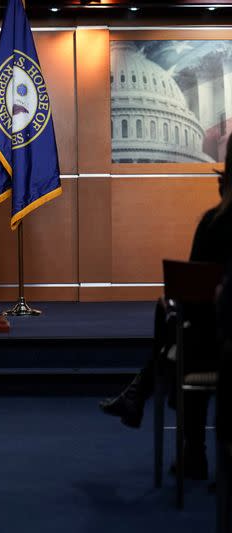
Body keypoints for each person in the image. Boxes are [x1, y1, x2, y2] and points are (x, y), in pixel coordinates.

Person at [100, 133, 232, 479]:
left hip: (216, 348)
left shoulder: (214, 224)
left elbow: (191, 294)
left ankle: (193, 451)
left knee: (180, 332)